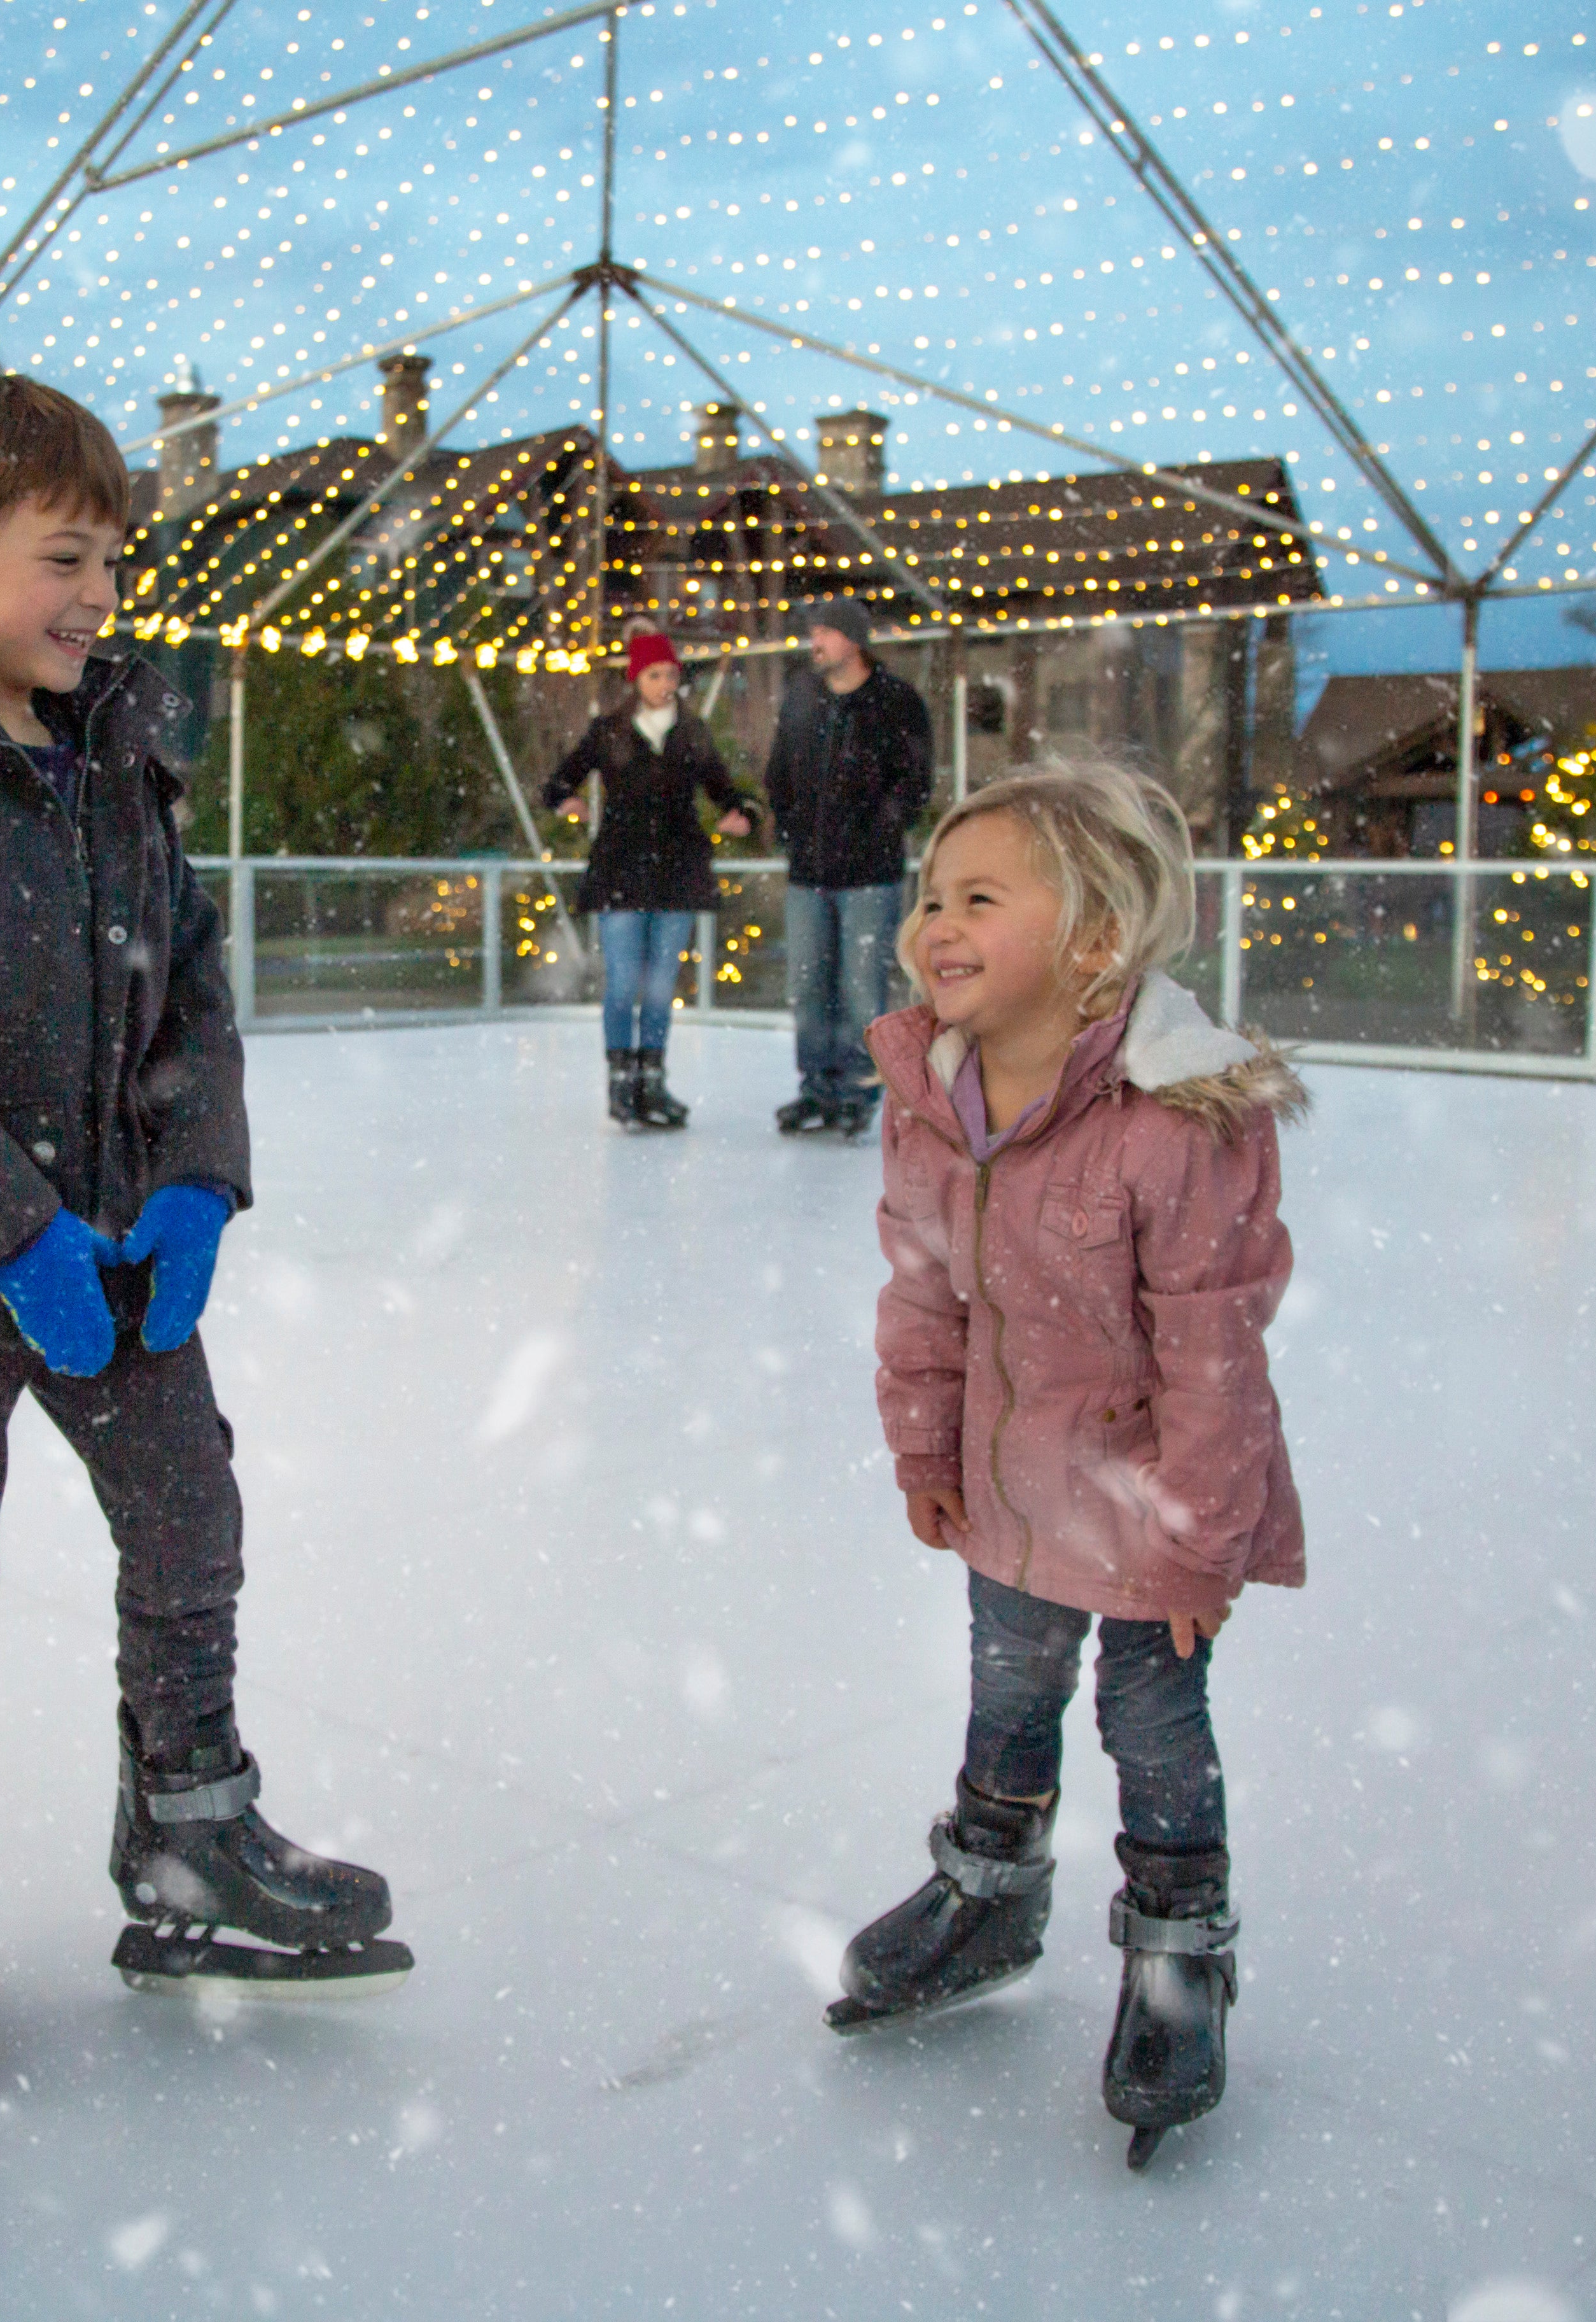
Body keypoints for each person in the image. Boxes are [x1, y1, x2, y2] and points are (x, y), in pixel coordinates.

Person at [0, 342, 409, 2081]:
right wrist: (3, 1228)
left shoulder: (119, 742)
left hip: (120, 1250)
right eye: (63, 559)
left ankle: (190, 1824)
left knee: (191, 1516)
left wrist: (192, 1177)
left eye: (109, 559)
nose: (100, 595)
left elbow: (190, 977)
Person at [829, 758, 1308, 2174]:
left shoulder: (1179, 1120)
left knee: (1154, 1729)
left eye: (980, 897)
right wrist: (925, 1445)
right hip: (1010, 1480)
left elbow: (1217, 1357)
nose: (935, 924)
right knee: (1009, 1686)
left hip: (1161, 1499)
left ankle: (1178, 1953)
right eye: (929, 898)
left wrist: (1206, 1542)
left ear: (1096, 937)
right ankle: (989, 1894)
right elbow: (923, 1292)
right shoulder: (936, 1093)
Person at [540, 629, 755, 1130]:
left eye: (672, 675)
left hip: (677, 871)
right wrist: (564, 800)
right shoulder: (609, 731)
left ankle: (652, 1081)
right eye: (655, 675)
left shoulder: (693, 734)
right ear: (637, 678)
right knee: (622, 981)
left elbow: (726, 790)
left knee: (659, 985)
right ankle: (621, 1083)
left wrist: (742, 812)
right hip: (621, 868)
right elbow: (559, 779)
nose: (665, 684)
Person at [762, 595, 934, 1138]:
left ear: (854, 640)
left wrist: (879, 828)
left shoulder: (895, 702)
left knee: (862, 989)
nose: (815, 643)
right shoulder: (802, 699)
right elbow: (779, 774)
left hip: (869, 875)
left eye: (826, 633)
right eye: (812, 632)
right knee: (809, 985)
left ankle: (859, 1086)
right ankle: (817, 1083)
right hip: (809, 874)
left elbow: (914, 782)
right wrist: (791, 830)